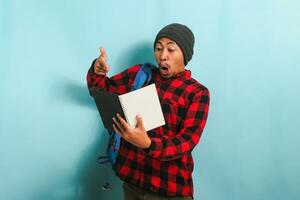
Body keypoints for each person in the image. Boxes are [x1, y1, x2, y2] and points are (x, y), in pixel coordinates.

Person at [86, 23, 210, 200]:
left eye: (171, 49)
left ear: (185, 54)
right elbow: (101, 91)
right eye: (158, 49)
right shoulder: (140, 75)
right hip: (132, 183)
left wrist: (148, 144)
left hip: (168, 189)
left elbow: (187, 141)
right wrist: (97, 73)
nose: (163, 56)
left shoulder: (197, 93)